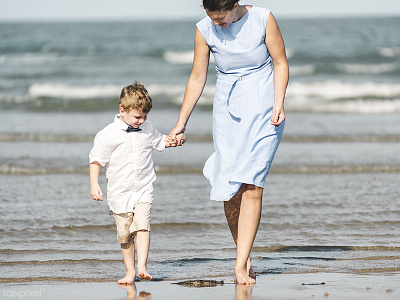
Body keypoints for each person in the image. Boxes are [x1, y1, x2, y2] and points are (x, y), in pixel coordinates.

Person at [169, 0, 288, 285]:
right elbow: (198, 77)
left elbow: (280, 62)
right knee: (230, 187)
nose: (218, 24)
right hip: (227, 111)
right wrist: (181, 122)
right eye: (213, 19)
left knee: (252, 184)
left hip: (264, 108)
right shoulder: (203, 29)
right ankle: (244, 255)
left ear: (235, 5)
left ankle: (238, 266)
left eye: (222, 18)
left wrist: (279, 102)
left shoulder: (263, 18)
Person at [89, 81, 186, 284]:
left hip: (143, 188)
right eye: (138, 116)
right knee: (125, 235)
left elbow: (160, 141)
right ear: (122, 110)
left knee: (142, 226)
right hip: (120, 193)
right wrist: (94, 184)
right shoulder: (108, 134)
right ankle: (130, 271)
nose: (142, 120)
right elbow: (96, 159)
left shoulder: (147, 128)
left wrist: (175, 140)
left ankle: (142, 266)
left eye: (145, 116)